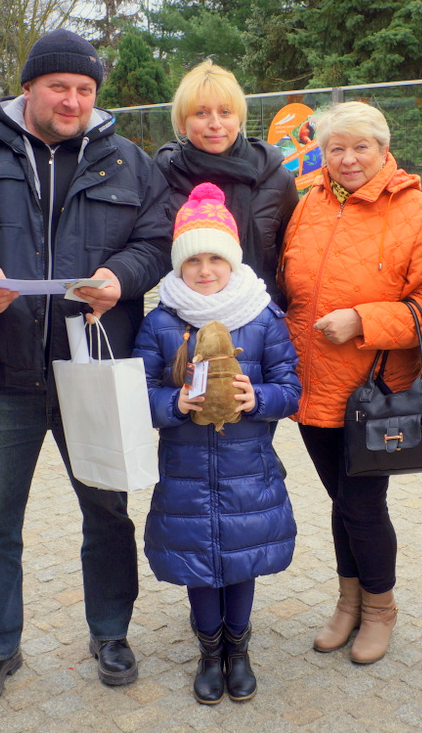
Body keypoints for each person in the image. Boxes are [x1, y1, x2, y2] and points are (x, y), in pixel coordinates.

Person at [0, 29, 174, 712]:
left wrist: (122, 276)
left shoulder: (127, 162)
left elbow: (158, 238)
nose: (73, 100)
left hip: (93, 372)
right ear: (29, 87)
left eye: (85, 90)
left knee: (108, 512)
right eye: (60, 87)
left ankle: (110, 634)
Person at [279, 101, 422, 665]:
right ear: (321, 153)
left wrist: (364, 321)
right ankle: (348, 602)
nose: (347, 159)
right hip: (310, 386)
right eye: (336, 148)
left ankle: (379, 609)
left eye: (360, 147)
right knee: (342, 501)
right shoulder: (309, 205)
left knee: (363, 503)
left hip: (371, 394)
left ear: (383, 147)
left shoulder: (417, 211)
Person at [133, 182, 300, 704]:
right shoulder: (160, 322)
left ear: (233, 261)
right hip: (183, 469)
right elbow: (140, 392)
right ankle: (209, 650)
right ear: (179, 266)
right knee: (198, 562)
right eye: (194, 260)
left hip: (247, 467)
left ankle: (239, 647)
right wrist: (173, 405)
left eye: (216, 259)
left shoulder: (262, 317)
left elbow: (291, 387)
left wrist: (260, 398)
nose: (205, 270)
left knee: (242, 557)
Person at [154, 59, 299, 308]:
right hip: (184, 318)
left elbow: (294, 260)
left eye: (225, 112)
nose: (215, 124)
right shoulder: (161, 177)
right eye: (201, 113)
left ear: (239, 118)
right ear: (182, 123)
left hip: (260, 319)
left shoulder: (276, 178)